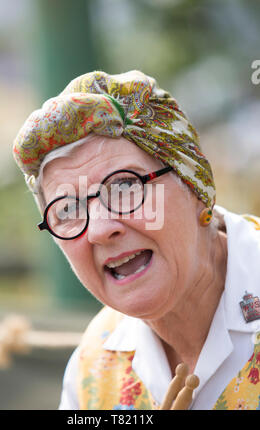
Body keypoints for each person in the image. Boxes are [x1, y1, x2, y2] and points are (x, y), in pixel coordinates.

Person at [13, 70, 260, 410]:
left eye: (126, 186)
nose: (99, 229)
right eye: (67, 209)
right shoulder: (94, 367)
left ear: (195, 185)